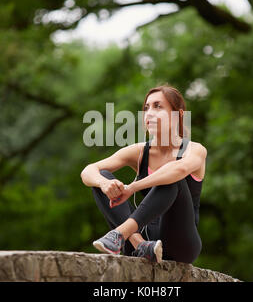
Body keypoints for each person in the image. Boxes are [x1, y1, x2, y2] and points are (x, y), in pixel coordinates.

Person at [80, 85, 207, 264]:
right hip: (145, 241)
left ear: (178, 115)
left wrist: (132, 188)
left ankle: (119, 234)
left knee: (172, 177)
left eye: (158, 106)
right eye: (146, 108)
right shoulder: (140, 152)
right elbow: (88, 171)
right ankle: (139, 244)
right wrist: (104, 184)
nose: (149, 113)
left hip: (181, 243)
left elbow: (178, 170)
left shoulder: (195, 150)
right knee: (103, 177)